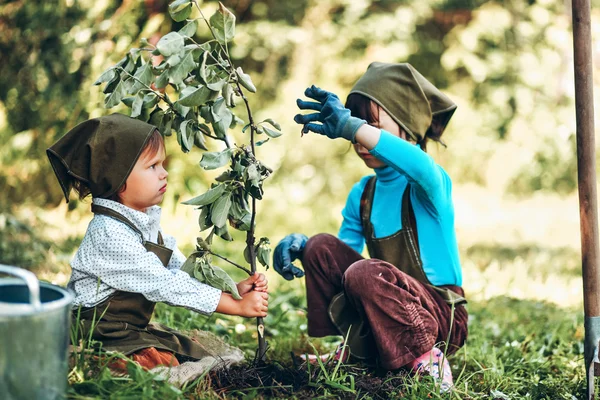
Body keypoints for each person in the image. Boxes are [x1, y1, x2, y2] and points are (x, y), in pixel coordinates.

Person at [273, 62, 467, 392]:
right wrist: (304, 248)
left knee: (365, 273)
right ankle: (357, 350)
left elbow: (420, 164)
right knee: (322, 247)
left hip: (440, 316)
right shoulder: (363, 193)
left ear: (406, 126)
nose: (358, 135)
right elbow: (342, 259)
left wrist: (351, 126)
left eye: (369, 125)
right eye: (352, 125)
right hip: (388, 305)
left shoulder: (429, 184)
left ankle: (425, 356)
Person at [47, 113, 269, 373]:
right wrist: (233, 306)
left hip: (126, 329)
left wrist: (232, 290)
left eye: (162, 165)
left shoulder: (143, 221)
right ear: (118, 180)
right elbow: (164, 283)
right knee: (156, 364)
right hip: (97, 331)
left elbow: (180, 270)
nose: (164, 174)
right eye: (152, 166)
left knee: (187, 350)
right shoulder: (109, 233)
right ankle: (97, 361)